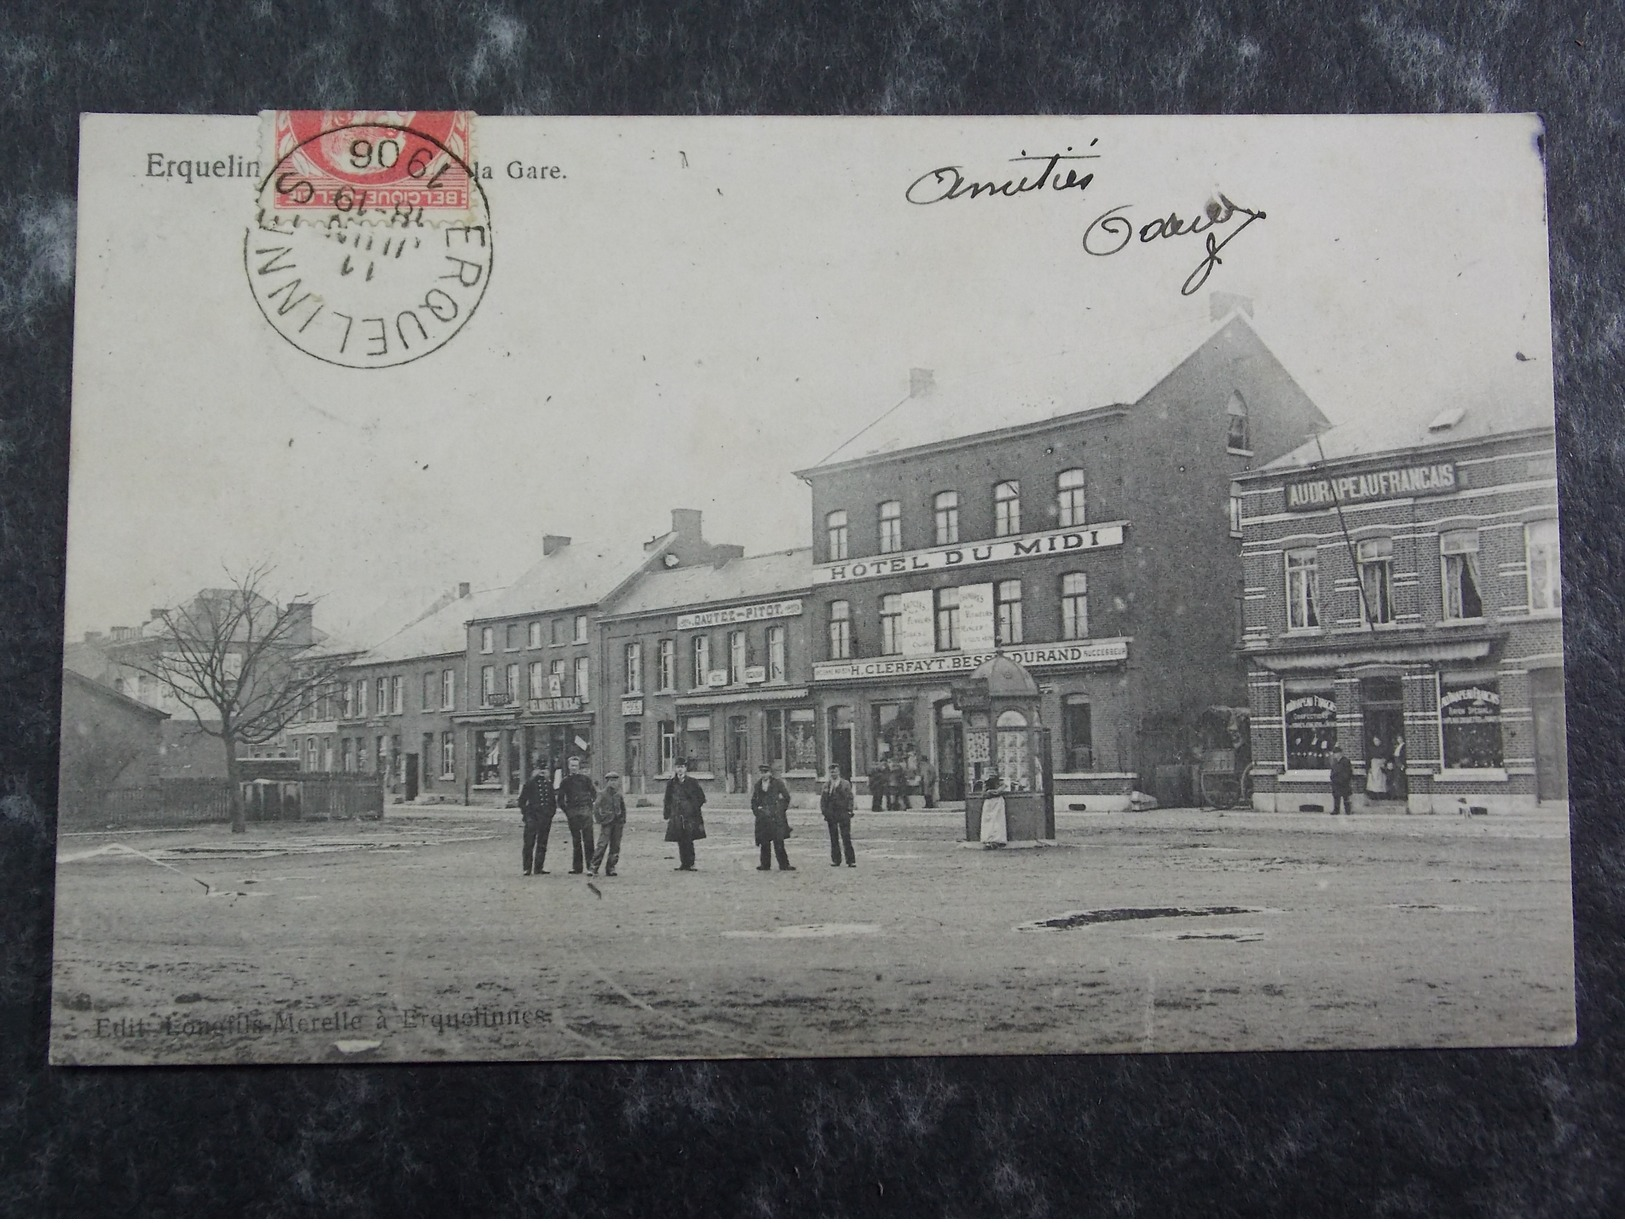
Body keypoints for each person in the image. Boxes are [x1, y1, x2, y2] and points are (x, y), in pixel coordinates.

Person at [750, 761, 795, 872]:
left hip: (775, 818)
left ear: (770, 773)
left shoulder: (777, 783)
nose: (764, 774)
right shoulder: (758, 785)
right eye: (762, 772)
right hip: (763, 818)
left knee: (778, 841)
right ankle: (765, 864)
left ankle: (784, 864)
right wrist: (757, 812)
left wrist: (780, 810)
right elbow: (753, 801)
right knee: (764, 842)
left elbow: (786, 797)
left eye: (766, 772)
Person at [663, 758, 707, 870]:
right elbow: (667, 799)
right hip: (677, 815)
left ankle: (691, 863)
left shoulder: (692, 782)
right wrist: (667, 813)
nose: (680, 770)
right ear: (675, 769)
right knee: (680, 838)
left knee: (689, 838)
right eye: (678, 767)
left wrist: (693, 808)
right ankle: (683, 863)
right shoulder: (671, 783)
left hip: (690, 816)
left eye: (682, 767)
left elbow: (701, 798)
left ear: (686, 769)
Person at [557, 755, 598, 874]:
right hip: (573, 814)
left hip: (585, 812)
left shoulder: (585, 779)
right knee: (576, 841)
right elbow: (560, 799)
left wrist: (590, 808)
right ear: (569, 767)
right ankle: (577, 867)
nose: (574, 768)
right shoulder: (565, 781)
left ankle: (591, 866)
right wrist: (568, 812)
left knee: (589, 840)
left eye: (576, 766)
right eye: (572, 766)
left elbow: (594, 794)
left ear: (579, 767)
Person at [518, 759, 556, 875]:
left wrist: (550, 814)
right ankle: (527, 868)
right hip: (532, 817)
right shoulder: (530, 784)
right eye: (540, 769)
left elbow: (552, 801)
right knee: (529, 843)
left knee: (542, 842)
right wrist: (526, 814)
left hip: (545, 817)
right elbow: (521, 801)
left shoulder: (549, 784)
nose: (542, 772)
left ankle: (539, 867)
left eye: (544, 770)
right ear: (535, 770)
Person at [589, 771, 627, 877]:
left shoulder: (618, 794)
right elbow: (596, 808)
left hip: (617, 823)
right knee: (602, 845)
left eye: (615, 781)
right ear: (607, 782)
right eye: (611, 781)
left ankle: (611, 867)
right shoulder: (602, 794)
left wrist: (623, 819)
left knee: (615, 846)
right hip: (607, 823)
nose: (613, 783)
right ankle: (593, 867)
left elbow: (623, 808)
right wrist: (599, 819)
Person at [821, 765, 856, 866]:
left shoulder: (845, 784)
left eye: (835, 772)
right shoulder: (826, 785)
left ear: (839, 772)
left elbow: (850, 798)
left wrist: (849, 810)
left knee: (846, 836)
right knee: (833, 837)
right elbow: (823, 800)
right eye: (831, 772)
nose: (833, 774)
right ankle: (836, 860)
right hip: (831, 814)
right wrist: (824, 812)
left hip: (843, 813)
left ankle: (851, 860)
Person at [979, 772, 1008, 848]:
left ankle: (998, 840)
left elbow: (1000, 790)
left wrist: (992, 791)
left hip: (997, 802)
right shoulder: (985, 784)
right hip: (989, 802)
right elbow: (983, 794)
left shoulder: (1000, 783)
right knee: (988, 821)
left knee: (997, 820)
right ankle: (988, 840)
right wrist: (990, 792)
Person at [1329, 746, 1355, 814]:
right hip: (1336, 782)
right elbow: (1333, 771)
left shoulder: (1345, 761)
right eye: (1334, 753)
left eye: (1336, 753)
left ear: (1340, 753)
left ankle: (1347, 810)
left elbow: (1348, 772)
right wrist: (1332, 778)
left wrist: (1343, 779)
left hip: (1343, 782)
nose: (1335, 755)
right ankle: (1336, 810)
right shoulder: (1334, 762)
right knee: (1336, 797)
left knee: (1346, 797)